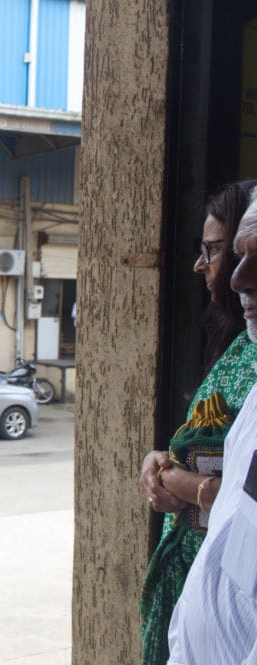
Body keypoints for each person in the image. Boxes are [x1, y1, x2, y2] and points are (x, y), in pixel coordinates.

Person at [138, 179, 257, 665]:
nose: (207, 267)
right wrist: (161, 460)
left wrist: (191, 486)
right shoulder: (239, 343)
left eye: (214, 250)